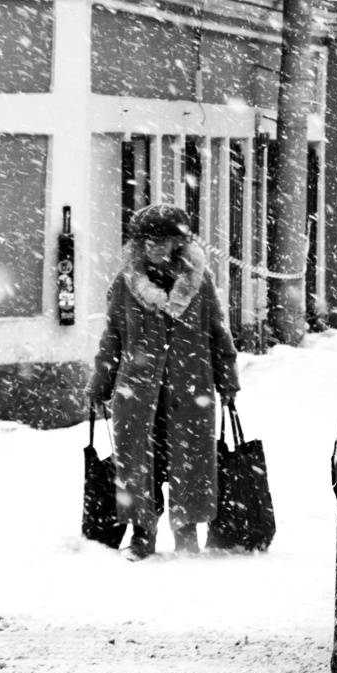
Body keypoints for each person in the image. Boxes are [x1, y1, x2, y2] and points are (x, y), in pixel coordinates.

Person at [88, 203, 239, 560]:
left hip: (190, 391)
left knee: (189, 464)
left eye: (163, 239)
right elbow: (112, 337)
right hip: (137, 393)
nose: (154, 246)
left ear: (177, 242)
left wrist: (228, 382)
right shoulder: (126, 285)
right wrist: (99, 384)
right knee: (141, 465)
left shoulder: (200, 284)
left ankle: (187, 534)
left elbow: (218, 333)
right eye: (147, 239)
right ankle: (143, 535)